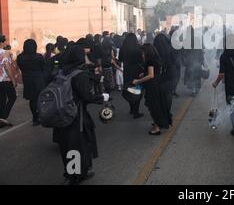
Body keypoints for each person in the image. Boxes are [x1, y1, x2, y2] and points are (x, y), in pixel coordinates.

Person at [54, 45, 108, 185]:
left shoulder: (62, 72)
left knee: (67, 145)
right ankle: (76, 176)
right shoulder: (79, 74)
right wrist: (102, 97)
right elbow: (87, 96)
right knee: (78, 146)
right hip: (76, 115)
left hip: (61, 114)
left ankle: (70, 173)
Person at [132, 43, 170, 135]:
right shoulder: (157, 58)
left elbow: (151, 75)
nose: (142, 54)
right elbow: (154, 72)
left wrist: (138, 81)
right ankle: (158, 123)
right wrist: (144, 74)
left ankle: (157, 128)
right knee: (158, 106)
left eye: (143, 52)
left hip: (153, 86)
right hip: (159, 84)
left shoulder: (150, 61)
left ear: (147, 52)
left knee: (154, 107)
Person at [17, 39, 46, 126]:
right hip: (39, 79)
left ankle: (35, 117)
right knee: (40, 98)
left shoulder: (20, 57)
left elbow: (21, 67)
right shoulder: (39, 57)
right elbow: (43, 67)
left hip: (27, 80)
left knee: (32, 100)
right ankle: (41, 115)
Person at [119, 33, 144, 118]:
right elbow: (141, 60)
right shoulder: (138, 48)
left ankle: (131, 109)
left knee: (129, 90)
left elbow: (120, 59)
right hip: (137, 72)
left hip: (127, 72)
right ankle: (136, 112)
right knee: (137, 91)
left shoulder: (123, 48)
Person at [154, 33, 177, 125]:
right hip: (171, 75)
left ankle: (162, 116)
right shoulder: (171, 49)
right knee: (168, 96)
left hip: (159, 77)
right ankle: (167, 114)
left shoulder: (155, 51)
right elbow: (175, 61)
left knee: (160, 98)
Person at [0, 35, 17, 128]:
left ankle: (1, 118)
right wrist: (13, 80)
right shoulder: (5, 53)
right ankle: (3, 117)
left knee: (2, 99)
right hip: (5, 79)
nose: (6, 43)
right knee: (12, 97)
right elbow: (7, 66)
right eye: (5, 41)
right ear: (1, 43)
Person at [183, 28, 204, 96]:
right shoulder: (197, 39)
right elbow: (200, 50)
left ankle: (193, 90)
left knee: (191, 75)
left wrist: (184, 60)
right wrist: (202, 59)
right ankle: (196, 89)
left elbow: (184, 52)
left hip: (190, 61)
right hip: (197, 59)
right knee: (196, 74)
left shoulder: (186, 40)